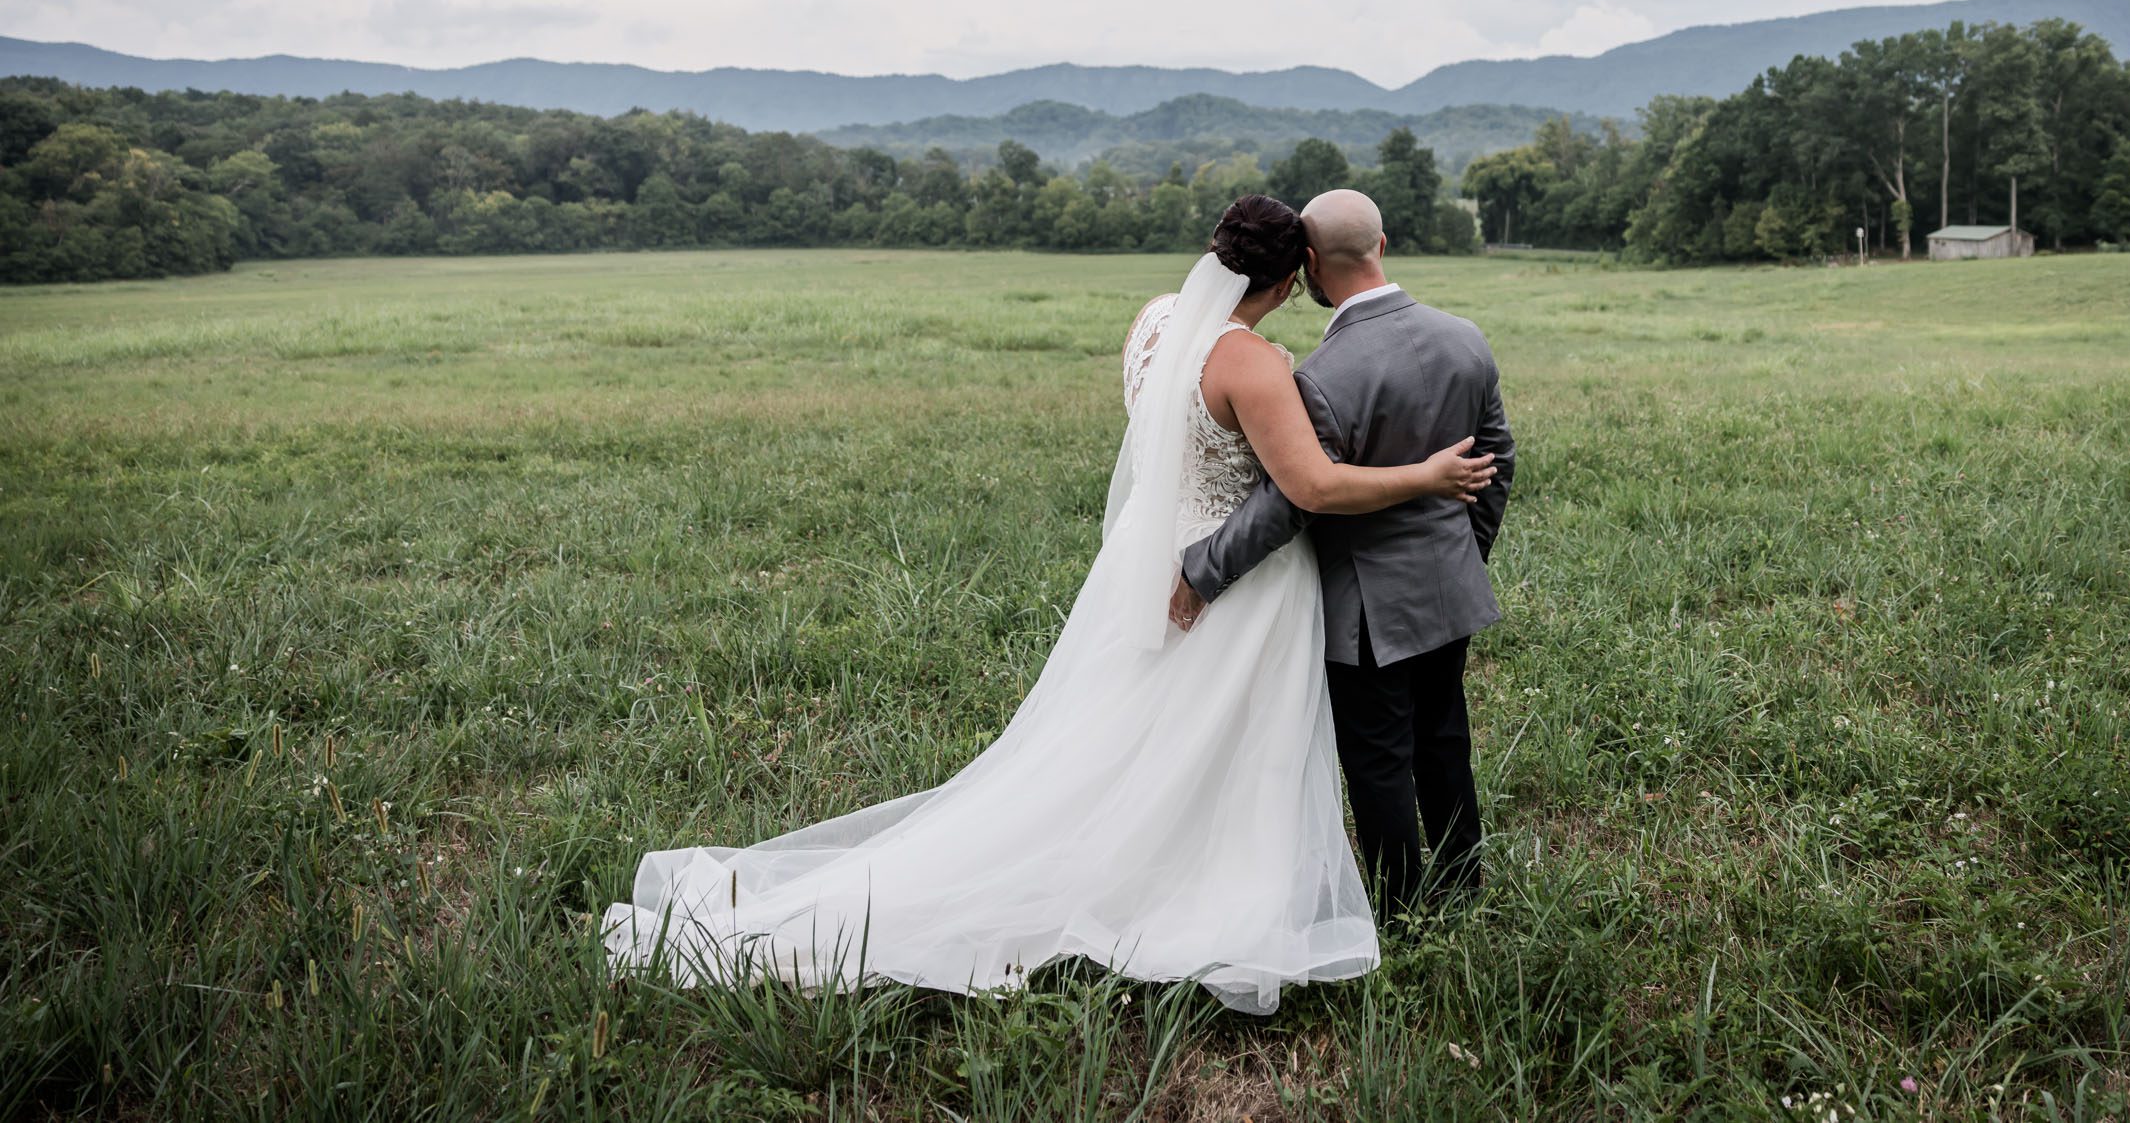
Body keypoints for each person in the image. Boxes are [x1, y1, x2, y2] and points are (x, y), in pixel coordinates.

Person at [603, 194, 1496, 1013]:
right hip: (1234, 585)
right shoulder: (1259, 364)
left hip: (1149, 566)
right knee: (1234, 742)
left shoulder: (1155, 324)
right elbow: (1306, 485)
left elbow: (1181, 455)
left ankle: (1150, 864)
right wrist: (1431, 480)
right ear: (1294, 275)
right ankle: (1223, 889)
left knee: (1134, 739)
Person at [1172, 188, 1516, 920]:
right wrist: (1464, 552)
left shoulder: (1322, 376)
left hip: (1364, 607)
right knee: (1444, 739)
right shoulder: (1467, 337)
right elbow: (1497, 462)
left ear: (1312, 267)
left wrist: (1204, 568)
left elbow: (1293, 498)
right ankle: (1463, 888)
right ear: (1382, 245)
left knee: (1378, 758)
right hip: (1450, 589)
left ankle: (1400, 911)